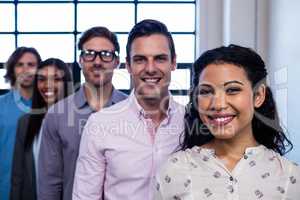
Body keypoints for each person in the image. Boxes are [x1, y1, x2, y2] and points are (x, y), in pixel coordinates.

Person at [154, 44, 300, 199]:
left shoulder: (290, 176)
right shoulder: (173, 170)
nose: (218, 104)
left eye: (232, 90)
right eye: (206, 92)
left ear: (258, 96)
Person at [72, 19, 185, 200]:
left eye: (160, 58)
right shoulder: (100, 124)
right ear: (128, 65)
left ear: (173, 62)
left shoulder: (190, 121)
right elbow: (85, 196)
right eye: (140, 60)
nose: (150, 68)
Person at [38, 27, 127, 200]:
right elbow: (50, 181)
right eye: (89, 54)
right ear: (80, 60)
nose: (97, 61)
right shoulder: (57, 115)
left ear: (117, 62)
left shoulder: (135, 111)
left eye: (106, 54)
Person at [10, 58, 73, 200]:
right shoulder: (25, 122)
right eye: (42, 79)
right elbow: (17, 175)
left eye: (56, 79)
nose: (47, 85)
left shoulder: (77, 123)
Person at [0, 47, 41, 200]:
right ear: (12, 69)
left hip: (39, 190)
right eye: (20, 64)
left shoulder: (50, 108)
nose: (25, 69)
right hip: (5, 189)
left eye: (31, 65)